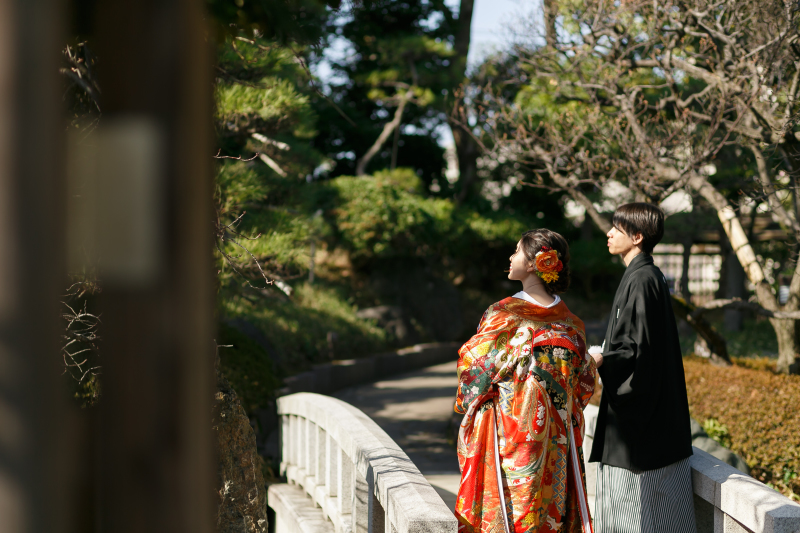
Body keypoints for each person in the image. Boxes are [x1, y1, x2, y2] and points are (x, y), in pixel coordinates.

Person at [454, 229, 597, 533]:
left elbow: (471, 371)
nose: (510, 257)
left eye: (516, 251)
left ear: (535, 263)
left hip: (510, 436)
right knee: (550, 511)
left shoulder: (502, 315)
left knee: (511, 511)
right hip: (556, 438)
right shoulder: (572, 325)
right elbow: (582, 384)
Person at [588, 203, 696, 533]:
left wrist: (602, 359)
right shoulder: (645, 276)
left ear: (636, 237)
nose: (608, 233)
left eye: (616, 229)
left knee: (636, 517)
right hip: (656, 423)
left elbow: (638, 351)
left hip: (641, 429)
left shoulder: (642, 279)